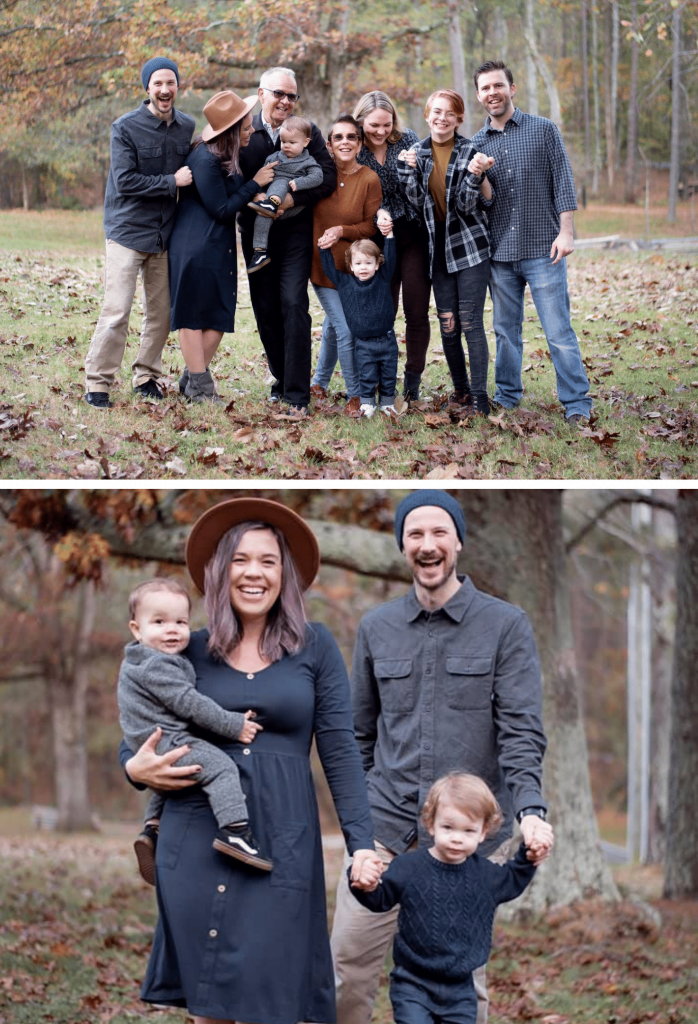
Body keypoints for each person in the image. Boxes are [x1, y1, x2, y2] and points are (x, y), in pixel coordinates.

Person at [119, 497, 383, 1024]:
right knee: (209, 1004)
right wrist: (132, 767)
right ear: (219, 571)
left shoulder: (314, 647)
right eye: (240, 559)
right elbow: (137, 722)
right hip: (194, 833)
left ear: (284, 572)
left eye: (267, 560)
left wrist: (361, 844)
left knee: (272, 999)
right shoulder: (182, 647)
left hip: (282, 838)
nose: (254, 572)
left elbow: (339, 749)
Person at [330, 489, 554, 1024]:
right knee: (346, 971)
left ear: (459, 541)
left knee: (462, 984)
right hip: (385, 829)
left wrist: (530, 810)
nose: (427, 545)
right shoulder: (376, 628)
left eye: (438, 533)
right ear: (402, 545)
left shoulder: (505, 625)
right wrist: (360, 836)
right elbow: (357, 738)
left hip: (466, 836)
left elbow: (522, 731)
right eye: (415, 534)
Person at [349, 773, 545, 1024]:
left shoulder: (485, 875)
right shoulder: (408, 868)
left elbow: (514, 878)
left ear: (483, 832)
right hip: (412, 983)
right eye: (448, 827)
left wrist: (529, 855)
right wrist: (363, 883)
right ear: (431, 824)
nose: (456, 837)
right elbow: (380, 899)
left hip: (461, 988)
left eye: (468, 830)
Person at [117, 576, 271, 887]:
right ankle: (235, 832)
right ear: (136, 629)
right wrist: (233, 725)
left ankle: (153, 828)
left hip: (149, 737)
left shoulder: (142, 659)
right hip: (165, 739)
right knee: (220, 768)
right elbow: (189, 703)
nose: (171, 629)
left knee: (172, 780)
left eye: (180, 621)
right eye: (159, 622)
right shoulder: (157, 666)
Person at [471, 60, 593, 425]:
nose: (492, 92)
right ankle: (508, 397)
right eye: (485, 88)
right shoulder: (476, 145)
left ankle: (577, 404)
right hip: (500, 255)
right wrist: (476, 176)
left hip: (544, 249)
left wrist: (566, 232)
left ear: (512, 89)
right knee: (506, 333)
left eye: (498, 85)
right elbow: (482, 202)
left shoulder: (543, 130)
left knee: (558, 332)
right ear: (478, 96)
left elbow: (563, 181)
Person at [84, 57, 195, 409]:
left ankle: (146, 376)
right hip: (127, 231)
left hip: (165, 233)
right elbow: (125, 181)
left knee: (161, 314)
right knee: (117, 310)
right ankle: (98, 382)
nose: (165, 90)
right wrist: (171, 182)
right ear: (147, 88)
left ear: (178, 86)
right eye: (158, 83)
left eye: (171, 83)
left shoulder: (186, 126)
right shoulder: (125, 127)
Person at [238, 67, 337, 417]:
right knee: (266, 310)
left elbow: (325, 179)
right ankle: (280, 382)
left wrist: (290, 201)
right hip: (256, 235)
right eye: (279, 93)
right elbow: (227, 172)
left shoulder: (309, 133)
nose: (285, 101)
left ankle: (297, 395)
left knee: (294, 305)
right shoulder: (244, 130)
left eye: (291, 96)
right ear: (261, 93)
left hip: (296, 234)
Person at [169, 90, 277, 403]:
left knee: (218, 312)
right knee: (193, 314)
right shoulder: (204, 159)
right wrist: (255, 184)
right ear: (230, 132)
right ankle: (202, 388)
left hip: (216, 244)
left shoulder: (224, 156)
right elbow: (221, 208)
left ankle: (192, 378)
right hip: (194, 244)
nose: (252, 130)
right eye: (245, 127)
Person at [397, 90, 495, 417]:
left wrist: (474, 174)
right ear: (427, 115)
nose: (442, 118)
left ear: (459, 118)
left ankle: (480, 398)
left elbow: (467, 205)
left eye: (450, 113)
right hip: (436, 248)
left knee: (470, 322)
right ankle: (461, 391)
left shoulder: (470, 151)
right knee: (448, 324)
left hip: (468, 246)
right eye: (436, 112)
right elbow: (413, 200)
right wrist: (407, 171)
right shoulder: (416, 152)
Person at [353, 92, 431, 402]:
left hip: (412, 232)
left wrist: (417, 166)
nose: (382, 131)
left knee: (416, 309)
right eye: (374, 125)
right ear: (362, 121)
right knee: (381, 313)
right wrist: (377, 212)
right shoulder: (354, 149)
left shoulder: (408, 139)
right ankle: (376, 382)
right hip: (376, 239)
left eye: (387, 125)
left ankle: (412, 384)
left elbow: (425, 183)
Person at [310, 113, 383, 414]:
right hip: (321, 266)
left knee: (333, 326)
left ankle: (318, 383)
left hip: (353, 269)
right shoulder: (317, 175)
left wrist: (343, 231)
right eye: (338, 137)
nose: (345, 142)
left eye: (351, 137)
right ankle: (356, 394)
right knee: (346, 329)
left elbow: (371, 226)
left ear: (360, 143)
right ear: (328, 145)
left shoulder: (368, 178)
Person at [319, 235, 398, 417]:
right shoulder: (345, 283)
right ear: (351, 266)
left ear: (377, 265)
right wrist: (324, 250)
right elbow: (330, 270)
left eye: (369, 263)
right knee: (367, 374)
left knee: (388, 374)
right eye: (359, 263)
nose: (364, 267)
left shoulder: (383, 278)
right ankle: (367, 403)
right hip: (363, 343)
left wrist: (389, 238)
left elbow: (391, 259)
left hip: (387, 339)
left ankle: (387, 403)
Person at [246, 116, 324, 273]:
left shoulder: (308, 161)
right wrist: (259, 193)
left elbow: (318, 176)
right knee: (262, 215)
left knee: (281, 182)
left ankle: (271, 204)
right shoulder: (274, 157)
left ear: (306, 142)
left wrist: (300, 183)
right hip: (272, 205)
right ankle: (260, 251)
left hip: (294, 206)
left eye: (292, 143)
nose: (286, 146)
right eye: (283, 142)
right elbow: (264, 177)